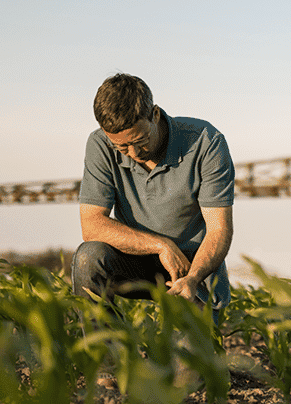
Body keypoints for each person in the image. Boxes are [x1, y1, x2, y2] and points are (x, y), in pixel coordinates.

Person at [71, 73, 234, 316]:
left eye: (141, 140)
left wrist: (193, 277)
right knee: (89, 257)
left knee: (188, 354)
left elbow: (219, 229)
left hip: (192, 268)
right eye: (121, 147)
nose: (134, 153)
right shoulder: (99, 144)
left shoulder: (206, 142)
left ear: (155, 114)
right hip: (135, 260)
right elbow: (92, 225)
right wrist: (160, 245)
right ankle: (103, 351)